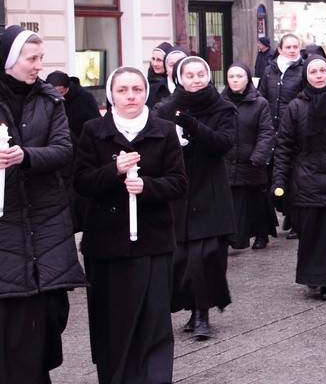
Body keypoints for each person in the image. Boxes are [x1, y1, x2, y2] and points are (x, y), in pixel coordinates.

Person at [74, 66, 187, 384]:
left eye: (137, 89)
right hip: (107, 245)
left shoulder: (163, 130)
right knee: (113, 324)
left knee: (153, 323)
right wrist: (113, 171)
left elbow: (179, 183)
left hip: (152, 241)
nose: (131, 96)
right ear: (111, 94)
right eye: (123, 90)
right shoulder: (93, 130)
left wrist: (147, 187)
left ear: (146, 92)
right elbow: (81, 183)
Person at [0, 25, 87, 384]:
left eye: (40, 57)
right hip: (5, 224)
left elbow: (65, 149)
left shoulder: (50, 99)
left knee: (51, 311)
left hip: (46, 216)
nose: (39, 65)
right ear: (9, 61)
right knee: (14, 314)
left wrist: (26, 155)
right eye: (31, 58)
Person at [154, 56, 236, 337]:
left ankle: (203, 313)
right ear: (179, 78)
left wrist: (194, 126)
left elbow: (223, 144)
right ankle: (190, 308)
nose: (196, 79)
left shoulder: (223, 107)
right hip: (178, 191)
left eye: (201, 74)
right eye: (189, 75)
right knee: (181, 257)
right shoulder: (165, 109)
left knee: (206, 256)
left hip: (210, 188)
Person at [272, 55, 326, 300]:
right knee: (311, 232)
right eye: (313, 72)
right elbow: (285, 146)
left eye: (322, 70)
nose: (319, 75)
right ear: (306, 76)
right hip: (306, 178)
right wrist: (278, 180)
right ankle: (313, 276)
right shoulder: (296, 107)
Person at [221, 62, 276, 250]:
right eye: (231, 77)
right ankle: (234, 237)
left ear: (248, 79)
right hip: (228, 161)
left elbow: (266, 132)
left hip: (252, 162)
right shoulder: (220, 102)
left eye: (239, 76)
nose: (235, 80)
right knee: (233, 202)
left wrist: (259, 155)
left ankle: (262, 234)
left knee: (257, 203)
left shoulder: (259, 103)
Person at [259, 34, 305, 238]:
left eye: (296, 47)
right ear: (280, 49)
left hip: (293, 128)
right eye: (289, 47)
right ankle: (271, 221)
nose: (293, 50)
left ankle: (295, 220)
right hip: (270, 128)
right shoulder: (270, 70)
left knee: (292, 173)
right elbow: (261, 96)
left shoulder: (303, 69)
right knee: (270, 175)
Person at [46, 70, 101, 232]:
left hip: (81, 154)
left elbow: (94, 125)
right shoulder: (46, 97)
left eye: (62, 92)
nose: (58, 96)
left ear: (68, 88)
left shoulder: (84, 98)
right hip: (58, 155)